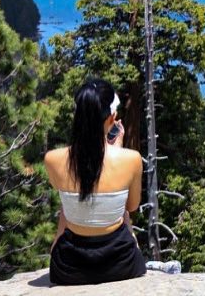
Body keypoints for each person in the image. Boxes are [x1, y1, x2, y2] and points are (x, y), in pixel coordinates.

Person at [45, 78, 146, 284]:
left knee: (69, 203)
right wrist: (116, 151)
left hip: (69, 267)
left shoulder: (53, 159)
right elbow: (132, 206)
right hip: (120, 264)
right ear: (112, 118)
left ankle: (57, 244)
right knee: (122, 211)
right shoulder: (131, 159)